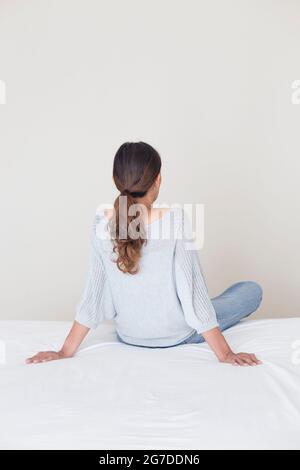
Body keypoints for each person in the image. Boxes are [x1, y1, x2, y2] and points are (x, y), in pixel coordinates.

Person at [27, 142, 263, 366]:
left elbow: (93, 294)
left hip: (130, 335)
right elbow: (193, 293)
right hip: (177, 335)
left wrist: (64, 351)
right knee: (250, 290)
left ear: (115, 180)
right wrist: (225, 354)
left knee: (216, 302)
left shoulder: (101, 223)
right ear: (158, 180)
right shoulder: (175, 220)